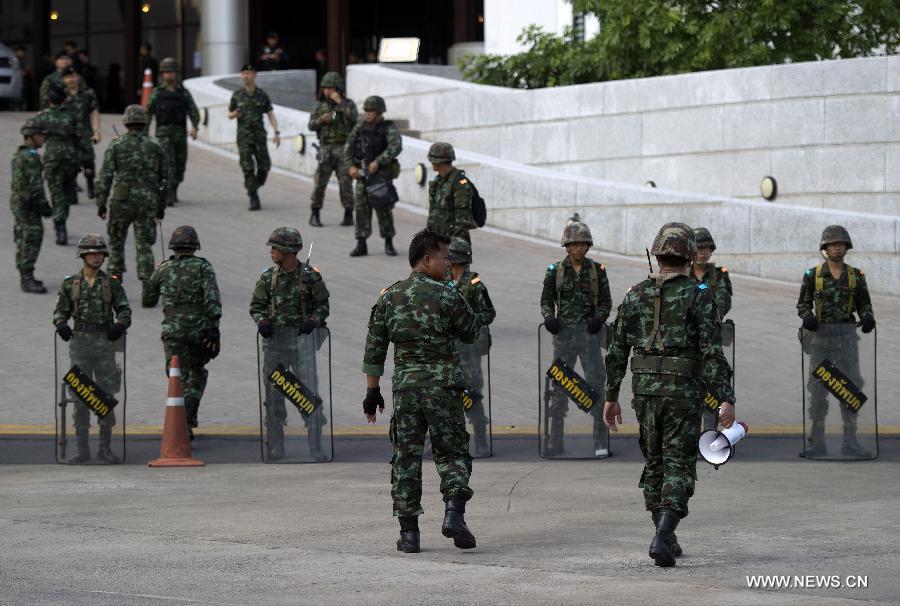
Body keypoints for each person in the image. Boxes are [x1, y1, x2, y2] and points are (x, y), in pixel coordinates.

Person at [603, 222, 735, 567]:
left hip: (645, 392)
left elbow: (616, 350)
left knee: (655, 463)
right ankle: (664, 534)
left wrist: (611, 395)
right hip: (683, 394)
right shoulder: (699, 294)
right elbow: (712, 352)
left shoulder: (635, 294)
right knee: (678, 463)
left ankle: (665, 534)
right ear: (689, 256)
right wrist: (725, 397)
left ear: (657, 256)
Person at [362, 229, 481, 554]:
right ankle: (454, 514)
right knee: (452, 453)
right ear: (427, 259)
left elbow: (374, 349)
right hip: (443, 388)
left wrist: (372, 392)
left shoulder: (389, 297)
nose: (448, 263)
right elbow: (471, 332)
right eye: (444, 257)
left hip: (407, 390)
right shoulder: (447, 295)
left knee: (406, 458)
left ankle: (409, 534)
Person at [249, 227, 330, 461]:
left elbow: (323, 306)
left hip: (302, 343)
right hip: (275, 345)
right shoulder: (268, 277)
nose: (271, 252)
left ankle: (315, 447)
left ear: (287, 251)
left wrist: (313, 321)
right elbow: (256, 306)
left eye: (275, 248)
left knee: (308, 394)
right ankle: (276, 447)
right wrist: (262, 321)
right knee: (273, 397)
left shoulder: (310, 277)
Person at [797, 225, 875, 458]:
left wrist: (868, 317)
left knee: (850, 388)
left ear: (846, 247)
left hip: (847, 340)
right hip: (821, 341)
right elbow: (803, 304)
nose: (837, 248)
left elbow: (864, 304)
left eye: (841, 244)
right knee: (818, 390)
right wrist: (807, 316)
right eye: (833, 244)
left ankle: (850, 441)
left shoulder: (855, 276)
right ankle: (817, 442)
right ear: (825, 247)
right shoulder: (813, 275)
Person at [52, 234, 131, 464]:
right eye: (92, 253)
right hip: (80, 343)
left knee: (105, 395)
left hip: (105, 343)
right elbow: (60, 310)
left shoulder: (111, 283)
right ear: (83, 256)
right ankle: (82, 449)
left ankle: (105, 448)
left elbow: (124, 309)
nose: (97, 257)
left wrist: (120, 324)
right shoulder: (71, 283)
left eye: (100, 254)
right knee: (80, 396)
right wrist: (61, 324)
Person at [540, 221, 612, 457]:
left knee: (597, 385)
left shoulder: (597, 271)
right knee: (559, 389)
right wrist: (549, 317)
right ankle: (555, 441)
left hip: (589, 337)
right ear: (567, 246)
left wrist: (599, 318)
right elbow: (546, 300)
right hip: (564, 338)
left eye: (582, 244)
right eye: (574, 244)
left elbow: (606, 301)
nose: (578, 248)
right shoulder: (555, 271)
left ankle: (600, 440)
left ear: (588, 245)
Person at [143, 226, 221, 440]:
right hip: (199, 330)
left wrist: (156, 275)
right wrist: (214, 328)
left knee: (177, 377)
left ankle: (180, 421)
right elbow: (212, 300)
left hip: (173, 332)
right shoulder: (203, 267)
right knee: (196, 373)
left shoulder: (163, 269)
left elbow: (147, 300)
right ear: (195, 247)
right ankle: (187, 419)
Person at [95, 104, 167, 299]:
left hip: (121, 201)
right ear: (144, 123)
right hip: (147, 202)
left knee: (116, 244)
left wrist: (101, 203)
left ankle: (113, 288)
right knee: (144, 245)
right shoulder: (155, 146)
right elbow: (164, 180)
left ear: (126, 123)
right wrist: (160, 208)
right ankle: (148, 290)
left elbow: (105, 177)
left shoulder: (117, 145)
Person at [449, 237, 495, 456]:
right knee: (445, 395)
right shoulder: (443, 282)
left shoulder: (475, 284)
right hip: (447, 350)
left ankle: (482, 441)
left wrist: (469, 321)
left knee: (472, 393)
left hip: (469, 350)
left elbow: (489, 313)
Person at [344, 95, 402, 257]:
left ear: (379, 112)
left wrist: (378, 162)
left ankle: (389, 243)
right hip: (362, 174)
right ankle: (361, 244)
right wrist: (350, 166)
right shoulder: (360, 126)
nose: (367, 114)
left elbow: (396, 146)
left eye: (371, 111)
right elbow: (348, 146)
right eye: (366, 110)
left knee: (384, 209)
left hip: (380, 176)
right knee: (361, 209)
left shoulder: (388, 128)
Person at [690, 227, 733, 431]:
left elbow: (723, 301)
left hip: (710, 339)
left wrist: (709, 318)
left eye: (707, 248)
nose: (703, 252)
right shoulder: (682, 273)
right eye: (699, 248)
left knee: (713, 388)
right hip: (687, 340)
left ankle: (708, 437)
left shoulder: (719, 275)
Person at [145, 57, 200, 206]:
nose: (168, 74)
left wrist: (195, 127)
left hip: (180, 133)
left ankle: (174, 188)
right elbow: (148, 112)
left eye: (170, 72)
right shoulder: (157, 92)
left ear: (175, 73)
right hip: (163, 133)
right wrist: (144, 133)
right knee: (168, 163)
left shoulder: (183, 93)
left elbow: (193, 110)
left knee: (180, 166)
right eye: (165, 72)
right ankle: (168, 193)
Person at [308, 71, 357, 227]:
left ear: (338, 89)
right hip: (326, 148)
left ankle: (348, 213)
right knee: (320, 183)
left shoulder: (348, 104)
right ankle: (315, 213)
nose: (327, 91)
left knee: (345, 183)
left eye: (330, 88)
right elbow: (311, 125)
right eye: (325, 88)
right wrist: (321, 120)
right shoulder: (320, 106)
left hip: (344, 149)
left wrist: (340, 103)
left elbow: (354, 119)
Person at [228, 64, 280, 211]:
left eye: (249, 73)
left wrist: (276, 132)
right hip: (244, 137)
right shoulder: (237, 95)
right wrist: (234, 114)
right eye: (244, 73)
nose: (246, 76)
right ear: (241, 75)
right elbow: (229, 114)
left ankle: (254, 186)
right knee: (248, 167)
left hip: (259, 136)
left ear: (254, 75)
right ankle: (253, 196)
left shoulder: (262, 95)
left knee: (264, 166)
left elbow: (270, 114)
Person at [10, 117, 52, 293]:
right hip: (29, 203)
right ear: (30, 136)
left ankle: (25, 275)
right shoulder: (31, 157)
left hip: (19, 202)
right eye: (39, 135)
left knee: (23, 236)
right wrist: (44, 205)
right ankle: (26, 278)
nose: (43, 138)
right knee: (31, 238)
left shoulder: (19, 154)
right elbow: (35, 185)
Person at [40, 84, 80, 245]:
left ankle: (60, 225)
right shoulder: (71, 116)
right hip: (70, 158)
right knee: (66, 193)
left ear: (49, 100)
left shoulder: (43, 116)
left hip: (52, 159)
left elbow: (27, 131)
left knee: (57, 193)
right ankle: (61, 223)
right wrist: (86, 161)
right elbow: (82, 138)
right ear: (64, 100)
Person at [62, 65, 101, 199]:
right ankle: (72, 187)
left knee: (89, 163)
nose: (71, 80)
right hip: (67, 136)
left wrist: (96, 131)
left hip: (85, 135)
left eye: (73, 76)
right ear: (64, 79)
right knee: (70, 165)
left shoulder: (88, 93)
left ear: (78, 77)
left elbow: (94, 112)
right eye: (67, 77)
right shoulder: (60, 94)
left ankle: (90, 186)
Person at [426, 142, 476, 243]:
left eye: (433, 160)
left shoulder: (460, 184)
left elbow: (462, 219)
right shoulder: (437, 181)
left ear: (441, 161)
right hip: (437, 240)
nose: (431, 163)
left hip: (454, 242)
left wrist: (455, 245)